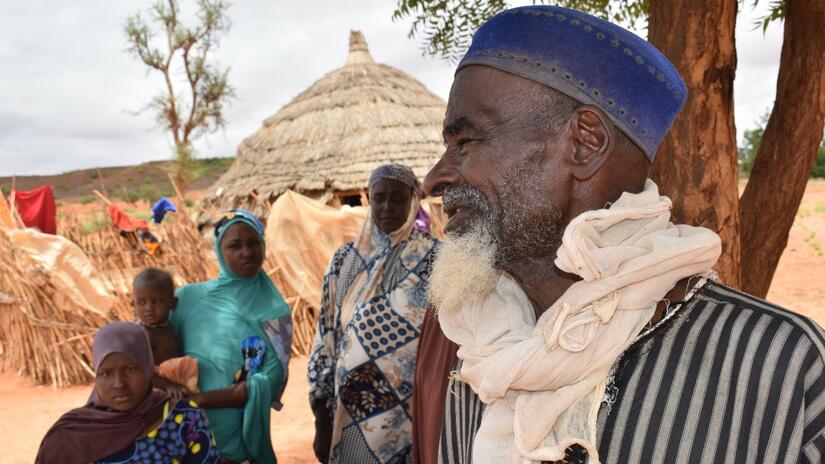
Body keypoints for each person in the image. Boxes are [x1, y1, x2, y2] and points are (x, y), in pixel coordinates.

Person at [414, 5, 825, 464]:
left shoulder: (782, 368)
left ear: (585, 144)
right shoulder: (470, 342)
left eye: (466, 142)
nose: (434, 178)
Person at [308, 164, 440, 463]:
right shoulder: (345, 260)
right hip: (351, 411)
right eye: (379, 198)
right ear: (369, 199)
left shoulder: (436, 257)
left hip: (413, 407)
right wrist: (320, 414)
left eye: (398, 198)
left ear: (413, 200)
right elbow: (326, 336)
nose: (388, 207)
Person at [171, 209, 293, 464]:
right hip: (186, 429)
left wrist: (200, 400)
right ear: (219, 251)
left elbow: (271, 380)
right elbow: (158, 351)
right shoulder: (187, 299)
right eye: (234, 245)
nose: (246, 252)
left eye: (253, 243)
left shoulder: (276, 312)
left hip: (239, 437)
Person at [36, 321, 221, 464]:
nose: (119, 383)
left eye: (130, 369)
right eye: (106, 373)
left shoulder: (184, 417)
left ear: (148, 368)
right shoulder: (70, 436)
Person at [133, 267, 199, 397]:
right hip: (158, 390)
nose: (148, 308)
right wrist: (168, 385)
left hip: (178, 384)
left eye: (156, 301)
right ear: (133, 305)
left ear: (173, 303)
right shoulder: (145, 334)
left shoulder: (168, 326)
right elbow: (142, 370)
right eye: (141, 302)